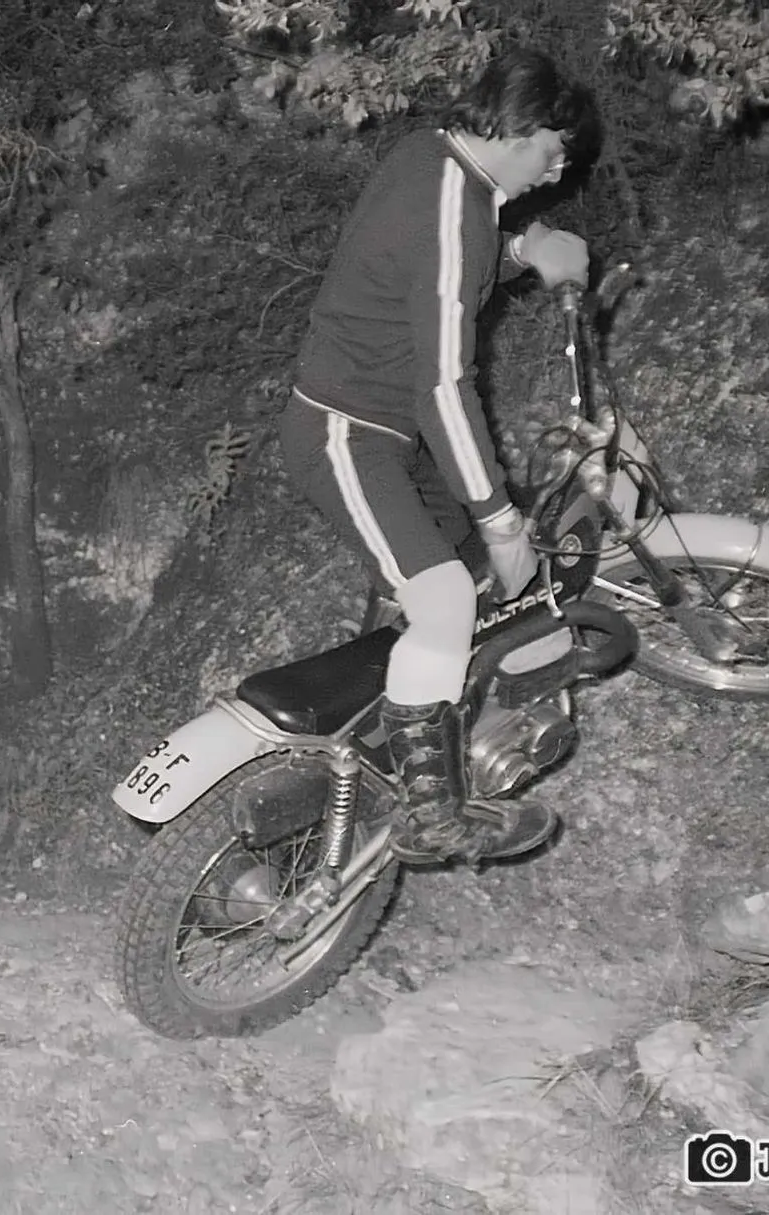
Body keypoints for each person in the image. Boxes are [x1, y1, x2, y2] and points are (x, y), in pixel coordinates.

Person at [280, 50, 599, 862]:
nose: (557, 171)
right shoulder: (453, 204)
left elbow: (438, 268)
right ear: (519, 132)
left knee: (471, 571)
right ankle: (429, 818)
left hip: (386, 431)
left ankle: (431, 697)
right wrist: (500, 517)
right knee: (453, 595)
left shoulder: (435, 157)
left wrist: (525, 251)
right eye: (552, 153)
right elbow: (444, 390)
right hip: (345, 434)